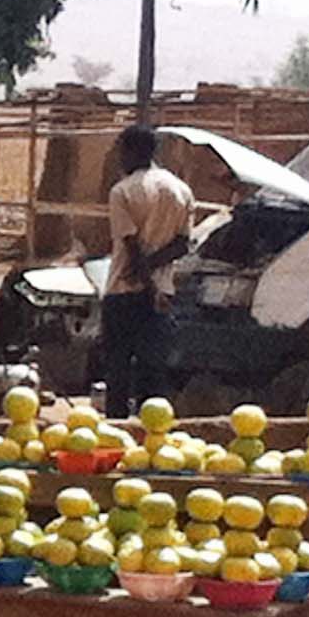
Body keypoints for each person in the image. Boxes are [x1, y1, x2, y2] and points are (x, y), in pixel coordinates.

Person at [102, 123, 194, 417]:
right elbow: (182, 245)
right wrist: (156, 280)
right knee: (152, 369)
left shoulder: (122, 191)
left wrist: (146, 283)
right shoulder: (181, 190)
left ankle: (117, 426)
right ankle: (150, 430)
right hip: (163, 293)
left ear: (133, 151)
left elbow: (132, 246)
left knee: (117, 366)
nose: (120, 159)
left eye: (122, 151)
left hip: (123, 291)